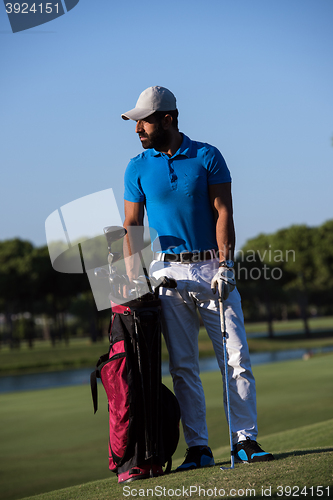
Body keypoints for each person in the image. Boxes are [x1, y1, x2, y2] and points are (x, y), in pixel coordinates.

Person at [121, 86, 274, 470]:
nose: (138, 127)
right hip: (166, 273)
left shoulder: (207, 156)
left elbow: (224, 212)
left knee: (236, 358)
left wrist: (226, 266)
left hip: (210, 269)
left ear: (168, 118)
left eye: (145, 119)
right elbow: (131, 226)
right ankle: (199, 449)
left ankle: (245, 441)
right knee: (184, 366)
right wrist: (135, 279)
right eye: (136, 120)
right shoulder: (137, 166)